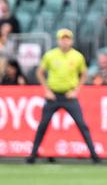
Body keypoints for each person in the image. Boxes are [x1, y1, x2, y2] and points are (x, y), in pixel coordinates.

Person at [27, 29, 100, 164]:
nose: (65, 41)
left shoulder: (77, 56)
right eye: (62, 39)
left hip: (69, 96)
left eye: (67, 39)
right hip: (53, 96)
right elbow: (39, 72)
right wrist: (47, 90)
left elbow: (84, 74)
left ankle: (94, 155)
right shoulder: (50, 55)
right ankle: (32, 155)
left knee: (82, 125)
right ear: (58, 40)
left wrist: (76, 90)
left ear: (71, 41)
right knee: (42, 125)